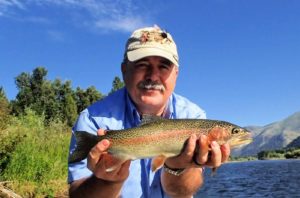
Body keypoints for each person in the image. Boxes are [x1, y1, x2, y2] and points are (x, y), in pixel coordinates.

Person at [68, 25, 230, 198]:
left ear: (176, 73)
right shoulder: (93, 119)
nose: (153, 76)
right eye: (142, 65)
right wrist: (108, 181)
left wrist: (177, 166)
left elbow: (181, 192)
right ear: (124, 70)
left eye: (163, 66)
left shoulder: (193, 115)